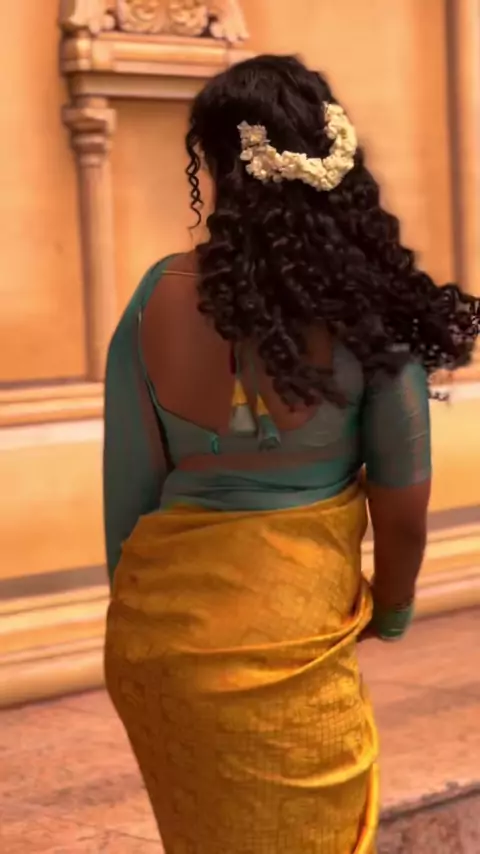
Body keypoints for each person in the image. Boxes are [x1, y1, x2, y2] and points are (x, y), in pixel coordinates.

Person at [103, 55, 479, 854]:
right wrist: (392, 608)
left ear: (215, 164)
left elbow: (128, 495)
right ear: (333, 157)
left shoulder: (154, 294)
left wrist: (150, 624)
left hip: (156, 651)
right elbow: (403, 509)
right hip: (288, 654)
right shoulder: (363, 317)